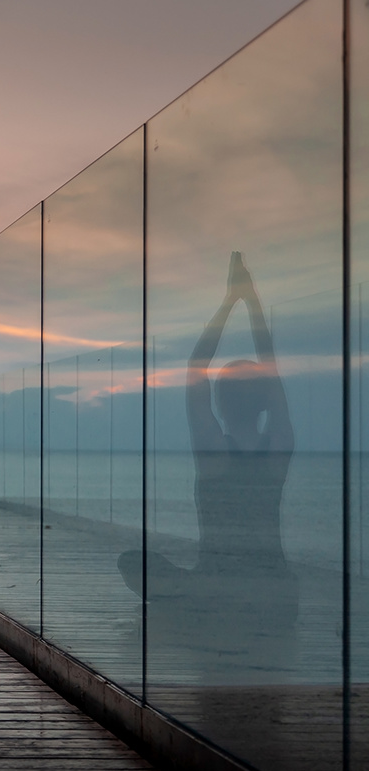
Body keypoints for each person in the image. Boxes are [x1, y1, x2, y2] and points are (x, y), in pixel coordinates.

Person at [118, 251, 296, 627]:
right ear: (266, 399)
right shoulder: (279, 446)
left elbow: (195, 364)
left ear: (220, 402)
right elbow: (271, 363)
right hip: (276, 589)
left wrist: (230, 300)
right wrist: (252, 301)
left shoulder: (214, 452)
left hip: (218, 588)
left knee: (130, 561)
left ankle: (199, 604)